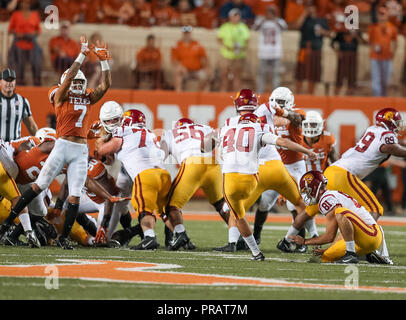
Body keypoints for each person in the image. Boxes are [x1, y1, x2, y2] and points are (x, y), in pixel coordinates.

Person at [0, 35, 112, 250]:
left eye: (81, 82)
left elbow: (105, 86)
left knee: (75, 195)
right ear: (66, 83)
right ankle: (6, 225)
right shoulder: (59, 95)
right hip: (62, 145)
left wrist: (104, 62)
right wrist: (81, 55)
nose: (78, 85)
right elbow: (69, 77)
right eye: (75, 82)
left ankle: (63, 239)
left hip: (80, 149)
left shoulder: (87, 98)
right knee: (39, 186)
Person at [280, 107, 406, 264]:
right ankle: (360, 248)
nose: (398, 125)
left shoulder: (374, 129)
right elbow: (391, 147)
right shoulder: (387, 136)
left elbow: (392, 143)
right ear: (390, 121)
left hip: (332, 171)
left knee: (310, 211)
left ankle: (286, 239)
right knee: (375, 209)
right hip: (345, 174)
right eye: (396, 122)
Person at [211, 89, 317, 252]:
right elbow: (282, 140)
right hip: (276, 167)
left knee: (235, 208)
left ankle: (233, 242)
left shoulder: (231, 123)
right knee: (299, 203)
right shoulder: (264, 114)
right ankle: (304, 237)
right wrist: (307, 151)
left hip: (259, 170)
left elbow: (298, 119)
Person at [96, 106, 194, 251]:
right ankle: (182, 235)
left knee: (144, 209)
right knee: (165, 211)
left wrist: (99, 139)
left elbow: (103, 150)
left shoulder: (124, 131)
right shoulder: (150, 134)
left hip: (145, 175)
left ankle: (149, 238)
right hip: (163, 174)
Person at [160, 117, 228, 247]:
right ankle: (238, 236)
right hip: (212, 164)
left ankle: (181, 235)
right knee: (221, 204)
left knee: (170, 206)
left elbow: (160, 157)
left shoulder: (169, 133)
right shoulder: (205, 128)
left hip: (192, 164)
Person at [290, 170, 384, 264]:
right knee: (327, 256)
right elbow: (346, 231)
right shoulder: (331, 195)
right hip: (367, 237)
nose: (307, 195)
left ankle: (351, 254)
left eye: (307, 191)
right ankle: (368, 255)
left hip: (370, 235)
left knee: (340, 212)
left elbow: (329, 236)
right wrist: (330, 249)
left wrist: (305, 241)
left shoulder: (327, 199)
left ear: (314, 188)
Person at [293, 3, 330, 95]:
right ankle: (298, 94)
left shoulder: (321, 20)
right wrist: (304, 13)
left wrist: (323, 31)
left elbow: (329, 33)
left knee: (314, 73)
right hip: (303, 49)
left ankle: (311, 94)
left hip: (316, 50)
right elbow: (296, 26)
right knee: (300, 73)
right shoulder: (304, 19)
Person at [253, 5, 287, 94]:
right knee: (261, 75)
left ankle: (276, 94)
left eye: (271, 12)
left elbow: (284, 29)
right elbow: (254, 28)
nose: (269, 14)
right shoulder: (261, 21)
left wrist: (274, 20)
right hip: (264, 53)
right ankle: (260, 92)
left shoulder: (279, 21)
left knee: (276, 75)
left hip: (275, 53)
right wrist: (264, 20)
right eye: (268, 12)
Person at [7, 0, 42, 86]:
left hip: (31, 40)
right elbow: (10, 30)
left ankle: (36, 79)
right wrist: (17, 33)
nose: (25, 4)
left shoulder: (35, 14)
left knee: (37, 57)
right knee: (18, 59)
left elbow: (38, 31)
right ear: (20, 4)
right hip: (19, 40)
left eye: (27, 3)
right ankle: (20, 80)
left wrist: (33, 34)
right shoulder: (15, 14)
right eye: (23, 3)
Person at [0, 68, 38, 141]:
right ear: (0, 82)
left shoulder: (22, 101)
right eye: (6, 80)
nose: (9, 83)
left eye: (12, 80)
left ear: (15, 82)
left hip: (15, 147)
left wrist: (40, 141)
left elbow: (32, 127)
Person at [217, 8, 250, 92]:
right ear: (230, 17)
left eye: (237, 15)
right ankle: (223, 94)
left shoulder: (243, 27)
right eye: (234, 16)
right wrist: (227, 47)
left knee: (237, 77)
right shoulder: (225, 26)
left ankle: (237, 95)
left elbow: (247, 40)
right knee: (224, 76)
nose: (236, 18)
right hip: (226, 55)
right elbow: (219, 39)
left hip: (238, 55)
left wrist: (242, 47)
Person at [368, 6, 398, 97]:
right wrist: (375, 47)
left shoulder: (392, 28)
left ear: (387, 15)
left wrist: (393, 53)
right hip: (375, 57)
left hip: (387, 57)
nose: (382, 16)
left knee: (385, 80)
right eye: (380, 14)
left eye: (383, 14)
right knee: (376, 79)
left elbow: (395, 42)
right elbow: (370, 41)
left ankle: (384, 98)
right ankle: (377, 99)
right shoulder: (373, 27)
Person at [171, 26, 211, 92]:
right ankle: (178, 94)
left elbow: (204, 58)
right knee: (177, 72)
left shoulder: (197, 44)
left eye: (188, 33)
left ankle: (199, 94)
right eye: (185, 33)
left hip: (197, 70)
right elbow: (174, 60)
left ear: (191, 34)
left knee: (204, 75)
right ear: (182, 34)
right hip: (184, 71)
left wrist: (206, 67)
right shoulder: (177, 45)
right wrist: (181, 67)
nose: (187, 35)